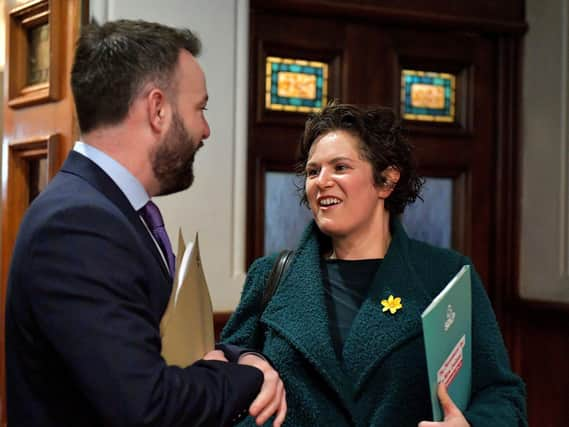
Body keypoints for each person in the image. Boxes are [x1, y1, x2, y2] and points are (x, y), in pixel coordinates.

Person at [5, 20, 286, 427]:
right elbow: (146, 407)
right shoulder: (78, 225)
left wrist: (227, 358)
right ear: (158, 109)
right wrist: (246, 377)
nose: (205, 130)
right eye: (200, 109)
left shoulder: (104, 208)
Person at [221, 103, 527, 426]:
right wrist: (246, 361)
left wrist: (471, 424)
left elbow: (502, 395)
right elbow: (226, 375)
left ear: (386, 181)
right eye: (313, 171)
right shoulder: (271, 276)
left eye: (340, 167)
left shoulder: (446, 276)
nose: (321, 181)